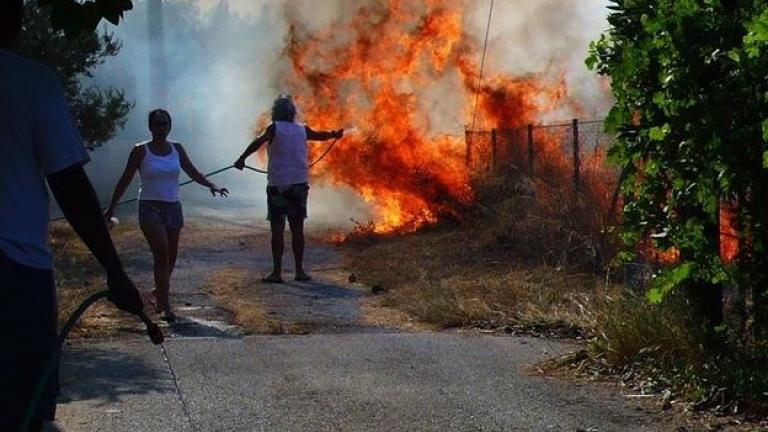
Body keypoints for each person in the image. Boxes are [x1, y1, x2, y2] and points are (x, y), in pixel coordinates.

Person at [0, 1, 144, 430]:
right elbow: (71, 188)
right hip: (15, 275)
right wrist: (114, 271)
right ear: (18, 22)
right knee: (24, 408)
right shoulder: (31, 83)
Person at [105, 109, 229, 322]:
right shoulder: (140, 151)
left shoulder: (176, 148)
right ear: (151, 127)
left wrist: (212, 185)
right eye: (158, 124)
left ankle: (159, 291)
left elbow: (193, 171)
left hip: (173, 207)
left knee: (171, 257)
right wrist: (112, 206)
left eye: (165, 124)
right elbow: (125, 179)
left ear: (170, 126)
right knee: (161, 255)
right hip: (149, 207)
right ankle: (165, 304)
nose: (162, 128)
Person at [234, 95, 343, 283]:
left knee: (277, 229)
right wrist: (334, 134)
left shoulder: (274, 128)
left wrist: (241, 158)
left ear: (275, 112)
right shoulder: (302, 130)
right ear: (292, 113)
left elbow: (258, 142)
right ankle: (299, 271)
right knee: (297, 229)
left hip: (278, 185)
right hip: (299, 184)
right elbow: (320, 135)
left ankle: (277, 273)